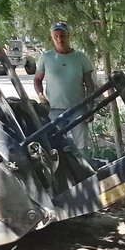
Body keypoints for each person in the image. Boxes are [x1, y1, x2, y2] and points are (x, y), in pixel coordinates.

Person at [34, 22, 95, 152]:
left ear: (68, 36)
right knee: (55, 144)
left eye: (62, 35)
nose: (59, 39)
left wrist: (90, 107)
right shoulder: (46, 57)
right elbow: (37, 80)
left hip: (77, 109)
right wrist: (41, 96)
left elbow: (90, 85)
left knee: (81, 146)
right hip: (54, 109)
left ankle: (86, 170)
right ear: (52, 37)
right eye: (56, 36)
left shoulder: (80, 57)